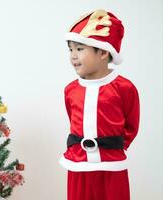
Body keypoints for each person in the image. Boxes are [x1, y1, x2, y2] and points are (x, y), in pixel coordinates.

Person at [59, 9, 140, 200]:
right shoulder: (70, 90)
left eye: (79, 49)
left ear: (103, 51)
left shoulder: (124, 88)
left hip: (112, 167)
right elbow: (73, 119)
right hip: (78, 164)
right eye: (70, 49)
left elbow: (131, 125)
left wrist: (112, 147)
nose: (73, 56)